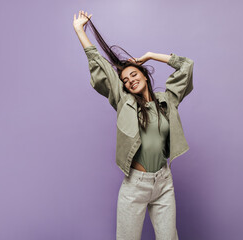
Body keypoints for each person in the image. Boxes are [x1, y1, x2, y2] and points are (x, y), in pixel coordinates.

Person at [73, 10, 194, 240]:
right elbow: (100, 65)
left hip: (164, 183)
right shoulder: (124, 102)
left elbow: (187, 66)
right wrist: (80, 31)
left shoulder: (167, 100)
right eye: (126, 81)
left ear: (144, 75)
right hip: (135, 186)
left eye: (133, 74)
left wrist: (149, 55)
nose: (130, 80)